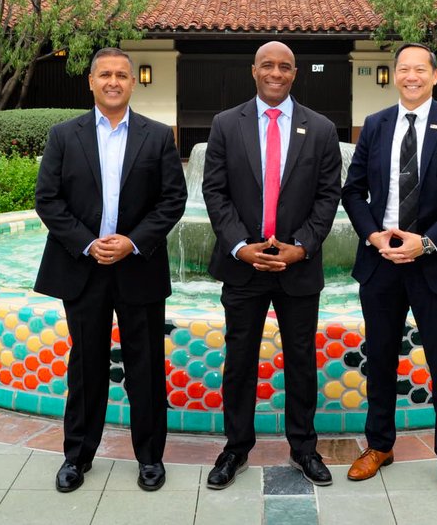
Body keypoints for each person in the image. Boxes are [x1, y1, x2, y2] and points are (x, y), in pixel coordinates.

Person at [34, 47, 187, 494]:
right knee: (86, 364)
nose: (114, 81)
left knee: (146, 366)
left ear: (132, 82)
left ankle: (150, 459)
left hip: (137, 265)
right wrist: (87, 242)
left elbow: (171, 200)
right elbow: (49, 200)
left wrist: (132, 241)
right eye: (105, 74)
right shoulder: (64, 135)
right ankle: (76, 456)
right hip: (82, 267)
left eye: (121, 74)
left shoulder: (157, 136)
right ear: (91, 81)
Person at [340, 42, 437, 501]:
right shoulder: (377, 125)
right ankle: (379, 445)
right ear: (394, 74)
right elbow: (353, 192)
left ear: (434, 76)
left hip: (435, 262)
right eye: (403, 69)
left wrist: (425, 243)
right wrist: (373, 236)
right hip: (382, 261)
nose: (410, 76)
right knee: (379, 358)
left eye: (419, 69)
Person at [201, 40, 342, 489]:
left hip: (298, 268)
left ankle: (304, 448)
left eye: (284, 66)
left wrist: (302, 246)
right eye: (268, 65)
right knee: (239, 360)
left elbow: (327, 196)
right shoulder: (226, 124)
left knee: (301, 359)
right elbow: (214, 191)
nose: (275, 73)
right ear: (254, 70)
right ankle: (235, 449)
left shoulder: (320, 129)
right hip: (243, 267)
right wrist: (240, 245)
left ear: (295, 73)